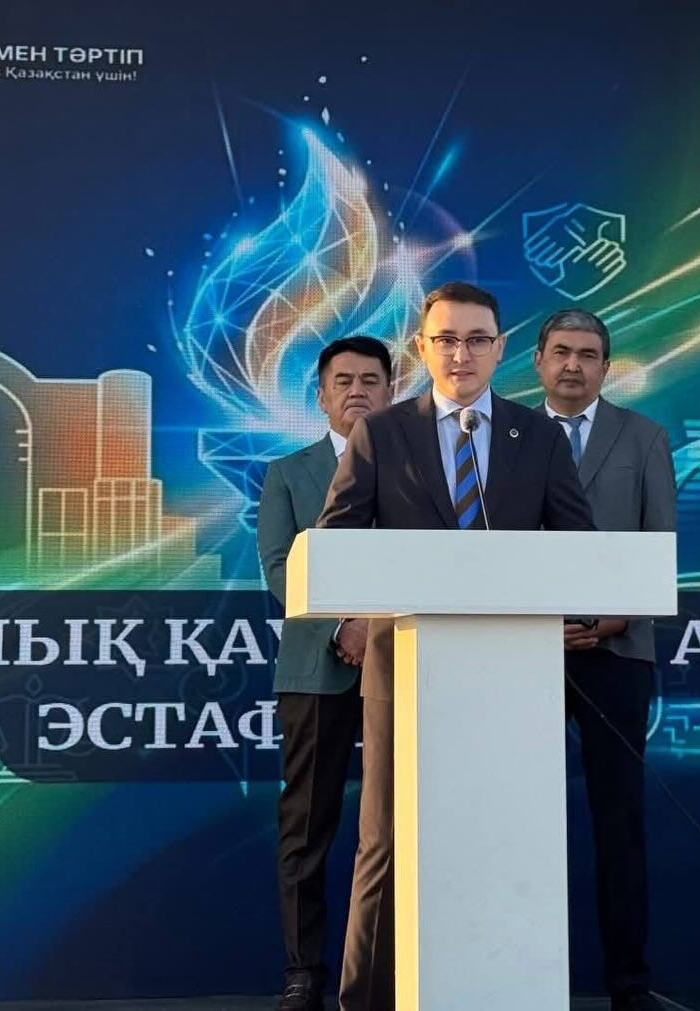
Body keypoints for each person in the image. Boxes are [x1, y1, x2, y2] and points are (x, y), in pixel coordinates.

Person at [318, 282, 595, 1011]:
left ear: (500, 349)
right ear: (422, 347)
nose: (461, 353)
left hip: (513, 676)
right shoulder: (383, 433)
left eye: (476, 339)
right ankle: (365, 1000)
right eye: (445, 339)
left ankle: (503, 987)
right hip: (403, 671)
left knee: (504, 833)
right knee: (386, 840)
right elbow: (337, 542)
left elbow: (578, 545)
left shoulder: (538, 437)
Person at [533, 308, 676, 1011]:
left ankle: (629, 983)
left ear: (605, 367)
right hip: (517, 653)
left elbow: (659, 544)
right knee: (514, 818)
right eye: (561, 351)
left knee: (618, 820)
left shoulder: (643, 437)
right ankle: (517, 977)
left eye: (587, 354)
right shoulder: (501, 435)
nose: (573, 365)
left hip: (617, 651)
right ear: (537, 361)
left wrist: (614, 617)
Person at [257, 335, 394, 1011]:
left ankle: (393, 969)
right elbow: (280, 569)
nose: (357, 391)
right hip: (317, 667)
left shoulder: (419, 470)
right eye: (344, 380)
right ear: (321, 395)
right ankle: (302, 974)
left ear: (391, 392)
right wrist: (344, 625)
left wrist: (378, 625)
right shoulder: (288, 473)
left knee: (403, 823)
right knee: (307, 825)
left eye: (371, 380)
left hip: (406, 665)